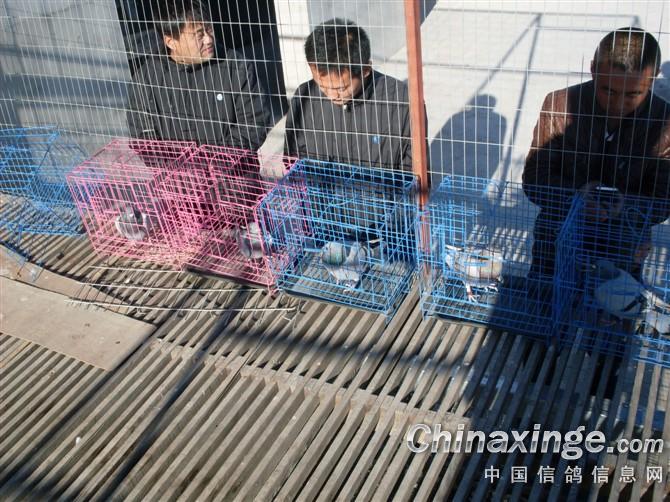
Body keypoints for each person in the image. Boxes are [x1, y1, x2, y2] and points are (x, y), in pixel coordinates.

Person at [522, 27, 670, 278]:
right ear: (593, 69)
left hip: (624, 244)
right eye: (608, 90)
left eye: (634, 93)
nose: (619, 104)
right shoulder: (559, 105)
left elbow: (663, 200)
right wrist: (577, 198)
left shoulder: (665, 120)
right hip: (558, 235)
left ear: (654, 77)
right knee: (545, 296)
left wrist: (622, 207)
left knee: (611, 299)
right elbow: (535, 179)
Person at [126, 0, 270, 150]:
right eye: (199, 35)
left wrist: (216, 158)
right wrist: (178, 162)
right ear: (171, 42)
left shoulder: (235, 66)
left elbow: (255, 124)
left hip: (231, 164)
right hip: (175, 165)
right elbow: (142, 136)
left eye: (209, 29)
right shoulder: (146, 80)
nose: (209, 39)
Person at [284, 18, 413, 171]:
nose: (332, 96)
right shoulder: (304, 97)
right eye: (322, 86)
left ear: (365, 70)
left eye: (341, 88)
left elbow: (413, 169)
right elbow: (292, 159)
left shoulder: (400, 100)